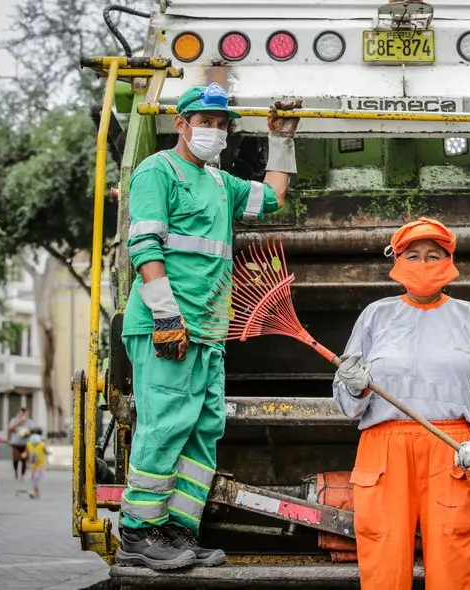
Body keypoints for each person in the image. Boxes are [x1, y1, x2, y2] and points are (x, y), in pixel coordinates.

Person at [117, 82, 302, 570]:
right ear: (181, 124)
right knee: (163, 427)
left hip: (209, 331)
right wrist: (167, 316)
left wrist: (282, 137)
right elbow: (144, 249)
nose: (214, 131)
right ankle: (138, 533)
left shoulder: (221, 183)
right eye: (205, 122)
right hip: (167, 326)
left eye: (221, 125)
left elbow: (274, 197)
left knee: (202, 430)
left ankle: (179, 532)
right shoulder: (157, 171)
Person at [332, 218, 470, 590]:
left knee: (453, 562)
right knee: (382, 564)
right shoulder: (375, 316)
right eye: (413, 255)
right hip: (383, 452)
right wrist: (355, 388)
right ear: (396, 260)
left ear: (449, 260)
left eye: (434, 255)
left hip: (451, 451)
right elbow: (347, 406)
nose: (424, 263)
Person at [7, 407, 33, 481]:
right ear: (17, 414)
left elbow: (32, 431)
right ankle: (15, 471)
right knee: (15, 459)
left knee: (24, 459)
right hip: (15, 443)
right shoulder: (14, 420)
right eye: (19, 413)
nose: (20, 415)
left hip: (25, 444)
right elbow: (10, 428)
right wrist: (19, 423)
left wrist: (27, 433)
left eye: (22, 413)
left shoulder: (29, 422)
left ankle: (22, 475)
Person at [25, 427, 49, 499]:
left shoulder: (42, 444)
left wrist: (48, 452)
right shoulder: (29, 444)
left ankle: (33, 491)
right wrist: (25, 454)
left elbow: (45, 451)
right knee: (34, 478)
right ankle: (36, 492)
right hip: (33, 464)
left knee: (36, 478)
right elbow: (27, 452)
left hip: (40, 464)